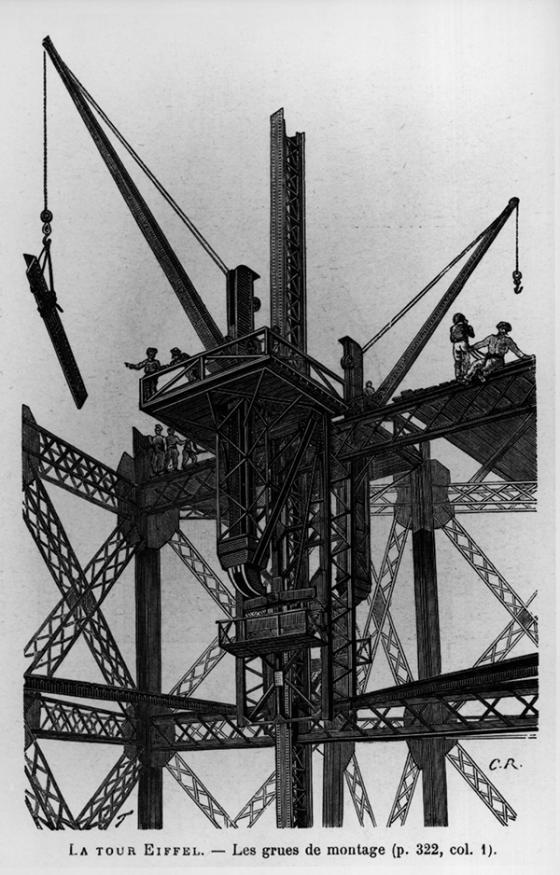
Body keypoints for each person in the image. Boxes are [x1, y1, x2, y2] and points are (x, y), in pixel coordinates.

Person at [449, 313, 475, 381]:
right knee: (466, 359)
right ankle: (465, 375)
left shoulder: (452, 328)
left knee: (458, 361)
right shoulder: (465, 326)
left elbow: (451, 339)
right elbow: (472, 335)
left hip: (455, 345)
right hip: (463, 343)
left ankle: (458, 376)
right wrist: (467, 326)